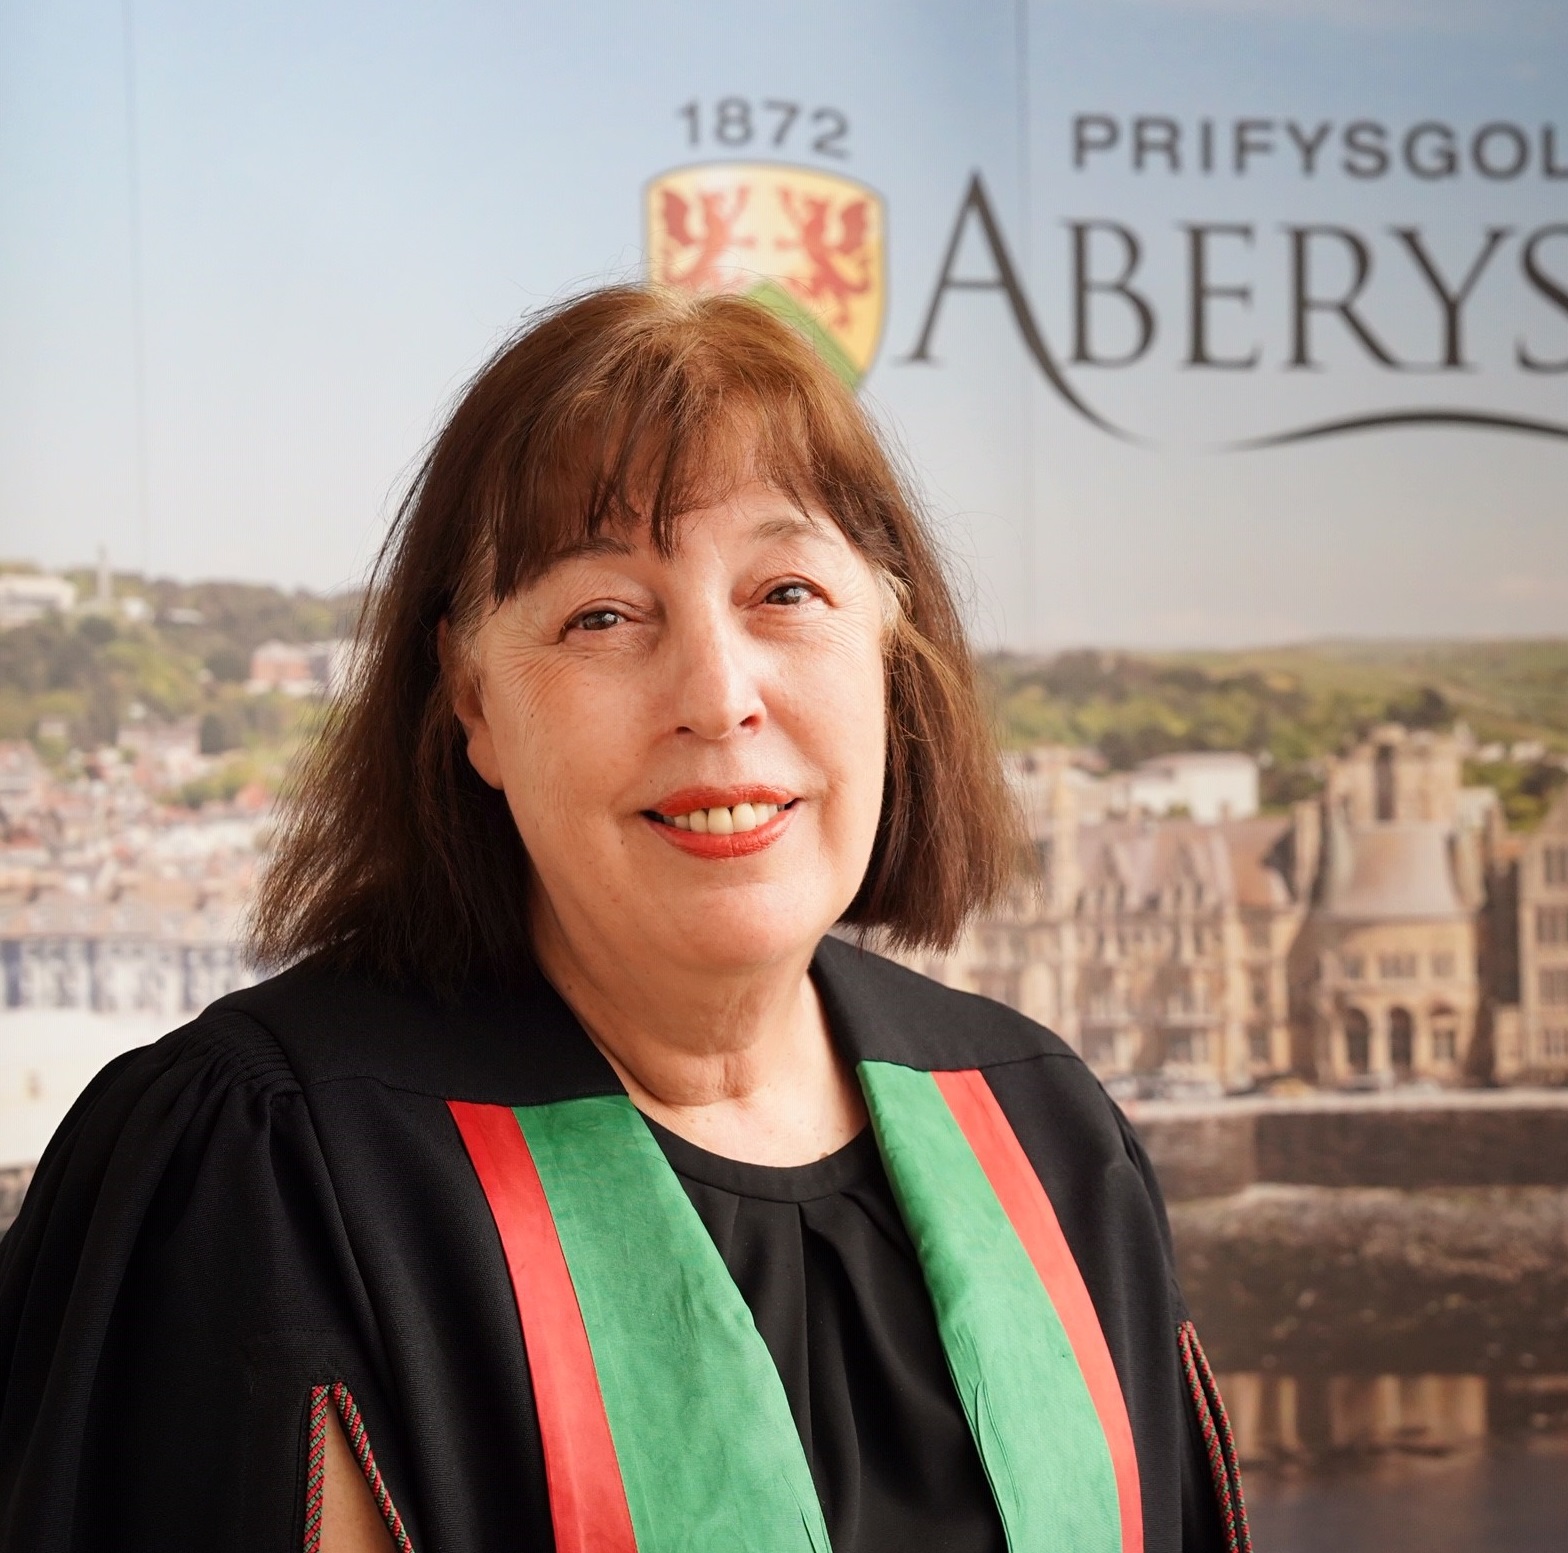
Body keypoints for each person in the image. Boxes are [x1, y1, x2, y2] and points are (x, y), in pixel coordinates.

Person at [0, 287, 1250, 1553]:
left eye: (787, 592)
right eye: (603, 614)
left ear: (890, 647)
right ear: (471, 703)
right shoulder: (273, 1172)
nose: (718, 696)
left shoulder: (1046, 1136)